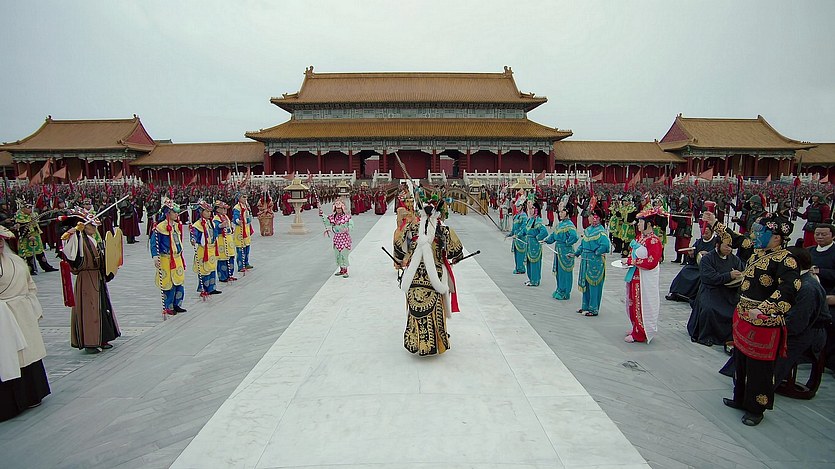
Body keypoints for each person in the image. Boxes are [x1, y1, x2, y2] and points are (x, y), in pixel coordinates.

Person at [705, 211, 800, 427]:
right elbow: (737, 239)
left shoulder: (786, 260)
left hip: (763, 321)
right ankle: (740, 398)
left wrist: (764, 309)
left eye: (761, 233)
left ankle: (756, 408)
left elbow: (789, 290)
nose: (755, 236)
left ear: (777, 237)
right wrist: (715, 223)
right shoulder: (757, 251)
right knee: (741, 361)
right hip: (744, 316)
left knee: (759, 368)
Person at [398, 199, 464, 356]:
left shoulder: (412, 228)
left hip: (414, 275)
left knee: (414, 307)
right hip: (435, 274)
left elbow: (400, 248)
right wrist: (455, 259)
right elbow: (456, 252)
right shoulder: (444, 230)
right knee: (436, 306)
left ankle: (414, 340)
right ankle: (436, 341)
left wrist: (403, 259)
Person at [0, 226, 50, 422]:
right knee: (11, 357)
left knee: (29, 352)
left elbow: (29, 283)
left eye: (1, 241)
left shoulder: (15, 260)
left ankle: (33, 393)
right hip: (5, 316)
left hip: (23, 310)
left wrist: (30, 301)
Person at [62, 208, 121, 353]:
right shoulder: (76, 239)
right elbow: (71, 254)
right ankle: (90, 342)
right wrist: (76, 232)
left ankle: (102, 337)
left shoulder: (92, 239)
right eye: (91, 225)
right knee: (90, 309)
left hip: (97, 276)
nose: (94, 229)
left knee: (101, 307)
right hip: (86, 279)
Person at [773, 247, 828, 387]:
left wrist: (773, 325)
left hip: (808, 333)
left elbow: (797, 322)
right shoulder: (797, 280)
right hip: (797, 325)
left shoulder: (808, 287)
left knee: (770, 345)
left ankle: (763, 389)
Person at [686, 230, 745, 346]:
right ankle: (707, 336)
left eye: (731, 247)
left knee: (736, 309)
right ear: (718, 245)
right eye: (726, 246)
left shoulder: (735, 259)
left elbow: (741, 272)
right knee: (709, 309)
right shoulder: (707, 259)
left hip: (728, 292)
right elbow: (709, 277)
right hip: (711, 290)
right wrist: (729, 275)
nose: (729, 249)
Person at [624, 206, 664, 342]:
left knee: (641, 304)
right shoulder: (640, 238)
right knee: (633, 303)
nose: (638, 224)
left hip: (644, 278)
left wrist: (632, 261)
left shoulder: (654, 241)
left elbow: (651, 262)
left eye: (641, 222)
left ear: (649, 224)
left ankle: (641, 333)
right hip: (635, 275)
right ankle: (636, 327)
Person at [150, 198, 187, 316]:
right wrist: (155, 256)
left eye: (177, 212)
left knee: (179, 282)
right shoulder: (160, 228)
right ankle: (168, 306)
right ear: (168, 213)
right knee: (168, 284)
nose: (176, 214)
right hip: (166, 259)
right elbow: (154, 243)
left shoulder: (176, 225)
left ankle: (177, 304)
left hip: (177, 258)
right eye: (174, 212)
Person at [666, 223, 717, 302]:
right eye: (703, 233)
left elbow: (717, 256)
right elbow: (691, 260)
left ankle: (691, 296)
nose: (704, 235)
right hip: (696, 265)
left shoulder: (715, 243)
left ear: (712, 232)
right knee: (685, 271)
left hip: (708, 267)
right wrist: (691, 255)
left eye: (707, 233)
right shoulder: (699, 242)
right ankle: (676, 293)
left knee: (699, 276)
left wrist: (708, 254)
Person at [575, 211, 610, 316]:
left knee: (594, 285)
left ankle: (593, 308)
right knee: (585, 284)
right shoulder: (588, 230)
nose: (588, 218)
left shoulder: (601, 232)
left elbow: (605, 246)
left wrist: (596, 252)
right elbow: (582, 244)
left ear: (596, 218)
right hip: (585, 260)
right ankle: (585, 306)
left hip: (595, 261)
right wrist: (576, 253)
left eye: (590, 216)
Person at [543, 200, 578, 300]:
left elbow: (574, 237)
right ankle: (559, 289)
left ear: (567, 212)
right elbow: (554, 235)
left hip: (565, 251)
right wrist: (546, 240)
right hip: (558, 250)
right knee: (559, 271)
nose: (560, 214)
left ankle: (565, 292)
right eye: (559, 212)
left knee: (565, 272)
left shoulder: (569, 225)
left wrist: (566, 243)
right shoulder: (560, 224)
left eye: (562, 211)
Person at [14, 200, 57, 275]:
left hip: (36, 235)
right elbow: (22, 228)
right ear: (23, 209)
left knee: (40, 252)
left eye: (31, 208)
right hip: (27, 238)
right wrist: (28, 235)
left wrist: (45, 211)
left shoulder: (33, 215)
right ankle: (30, 269)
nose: (30, 209)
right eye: (28, 208)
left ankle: (46, 266)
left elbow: (41, 219)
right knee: (28, 254)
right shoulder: (20, 217)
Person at [190, 200, 221, 297]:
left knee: (211, 268)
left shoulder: (211, 223)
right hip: (203, 250)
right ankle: (204, 289)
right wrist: (193, 239)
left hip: (211, 248)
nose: (209, 213)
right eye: (207, 211)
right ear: (201, 212)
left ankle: (212, 288)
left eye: (210, 211)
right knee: (204, 270)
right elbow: (194, 235)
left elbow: (215, 232)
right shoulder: (197, 225)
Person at [320, 198, 354, 278]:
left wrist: (347, 229)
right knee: (337, 254)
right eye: (337, 208)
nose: (338, 210)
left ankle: (345, 270)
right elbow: (327, 221)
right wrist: (322, 215)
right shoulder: (333, 217)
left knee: (344, 254)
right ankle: (341, 269)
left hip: (344, 238)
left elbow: (351, 225)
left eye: (340, 208)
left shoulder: (346, 217)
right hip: (337, 238)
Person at [521, 200, 549, 287]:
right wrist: (518, 235)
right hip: (529, 244)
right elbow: (525, 230)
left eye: (532, 208)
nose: (530, 210)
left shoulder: (538, 220)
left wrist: (538, 237)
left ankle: (535, 280)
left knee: (535, 263)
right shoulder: (530, 220)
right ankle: (531, 278)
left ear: (536, 210)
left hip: (535, 245)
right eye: (530, 208)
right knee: (529, 262)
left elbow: (544, 232)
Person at [213, 200, 237, 283]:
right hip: (221, 240)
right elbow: (215, 228)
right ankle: (223, 276)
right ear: (217, 209)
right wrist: (220, 226)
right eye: (223, 208)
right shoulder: (216, 219)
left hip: (228, 239)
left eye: (226, 209)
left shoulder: (226, 217)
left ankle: (230, 274)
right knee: (222, 258)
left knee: (230, 257)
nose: (225, 210)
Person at [232, 193, 254, 272]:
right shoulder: (237, 207)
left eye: (246, 197)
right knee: (240, 248)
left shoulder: (246, 206)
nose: (245, 198)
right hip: (240, 229)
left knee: (247, 247)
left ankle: (246, 263)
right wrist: (238, 220)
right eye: (243, 197)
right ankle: (241, 266)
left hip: (246, 228)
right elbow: (235, 216)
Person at [507, 198, 528, 275]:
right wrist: (511, 233)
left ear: (522, 206)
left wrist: (518, 234)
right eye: (516, 206)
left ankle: (521, 268)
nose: (517, 208)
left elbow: (524, 227)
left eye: (518, 206)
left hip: (521, 238)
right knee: (516, 254)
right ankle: (517, 267)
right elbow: (514, 227)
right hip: (515, 238)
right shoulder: (516, 216)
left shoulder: (524, 216)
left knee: (520, 254)